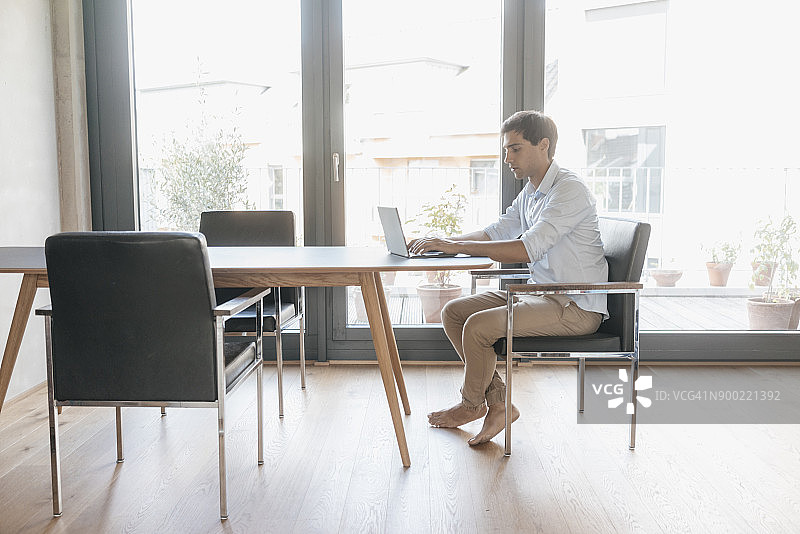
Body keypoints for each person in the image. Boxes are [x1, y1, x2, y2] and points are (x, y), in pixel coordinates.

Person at [408, 110, 608, 446]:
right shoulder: (531, 191)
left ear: (543, 145)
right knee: (454, 313)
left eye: (514, 149)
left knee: (478, 327)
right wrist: (444, 244)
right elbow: (497, 231)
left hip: (575, 306)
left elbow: (527, 248)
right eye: (505, 150)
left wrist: (454, 245)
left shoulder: (568, 190)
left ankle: (472, 405)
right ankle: (498, 403)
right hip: (541, 294)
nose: (506, 159)